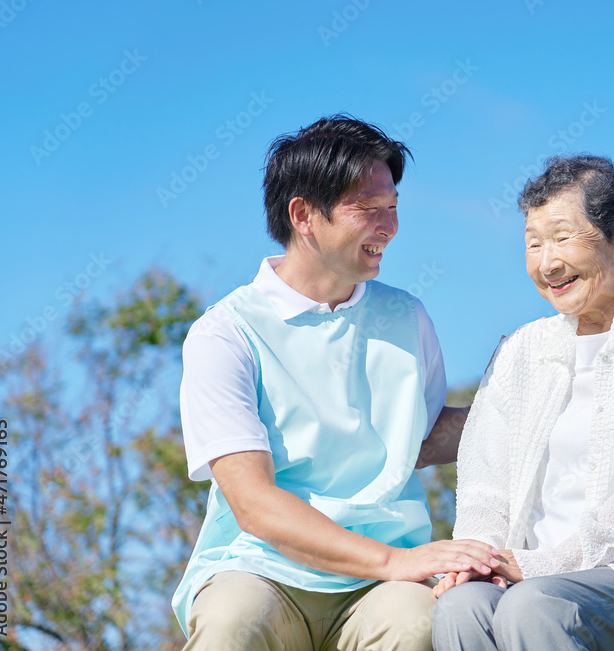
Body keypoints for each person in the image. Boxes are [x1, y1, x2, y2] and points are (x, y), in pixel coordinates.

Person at [171, 114, 499, 651]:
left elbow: (418, 439)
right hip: (260, 568)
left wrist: (525, 415)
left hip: (380, 585)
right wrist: (396, 560)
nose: (388, 227)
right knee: (233, 621)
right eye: (368, 210)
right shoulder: (225, 332)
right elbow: (253, 503)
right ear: (303, 215)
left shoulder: (409, 316)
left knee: (420, 623)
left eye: (392, 209)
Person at [431, 155, 614, 651]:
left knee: (537, 605)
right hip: (520, 575)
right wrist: (478, 562)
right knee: (460, 607)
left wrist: (543, 565)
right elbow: (485, 482)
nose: (547, 262)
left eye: (563, 237)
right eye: (533, 243)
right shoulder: (519, 350)